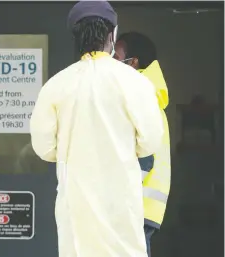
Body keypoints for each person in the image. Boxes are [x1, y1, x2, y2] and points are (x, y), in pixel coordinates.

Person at [29, 1, 164, 257]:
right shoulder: (136, 83)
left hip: (75, 205)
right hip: (121, 202)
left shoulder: (56, 86)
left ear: (76, 36)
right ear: (112, 34)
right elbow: (151, 141)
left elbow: (44, 148)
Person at [114, 32, 171, 257]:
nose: (111, 64)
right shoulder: (147, 96)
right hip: (140, 208)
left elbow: (145, 157)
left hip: (135, 208)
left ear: (133, 62)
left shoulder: (143, 99)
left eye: (116, 58)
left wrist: (116, 196)